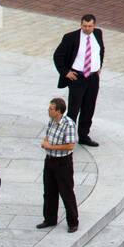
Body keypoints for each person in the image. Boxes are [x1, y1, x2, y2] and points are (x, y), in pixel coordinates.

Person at [53, 14, 104, 146]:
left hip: (92, 78)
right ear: (81, 25)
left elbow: (100, 50)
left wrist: (98, 66)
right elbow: (58, 55)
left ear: (94, 25)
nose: (87, 29)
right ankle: (67, 136)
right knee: (73, 109)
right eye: (84, 26)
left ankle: (84, 135)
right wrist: (66, 72)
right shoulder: (71, 37)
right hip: (78, 77)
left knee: (89, 107)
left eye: (90, 26)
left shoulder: (98, 34)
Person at [35, 97, 79, 231]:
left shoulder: (69, 124)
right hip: (50, 160)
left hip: (62, 162)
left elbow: (70, 145)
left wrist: (50, 146)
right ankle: (50, 218)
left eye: (51, 108)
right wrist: (46, 143)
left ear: (59, 111)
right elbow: (48, 136)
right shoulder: (52, 121)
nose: (48, 110)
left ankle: (72, 222)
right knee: (49, 191)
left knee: (66, 192)